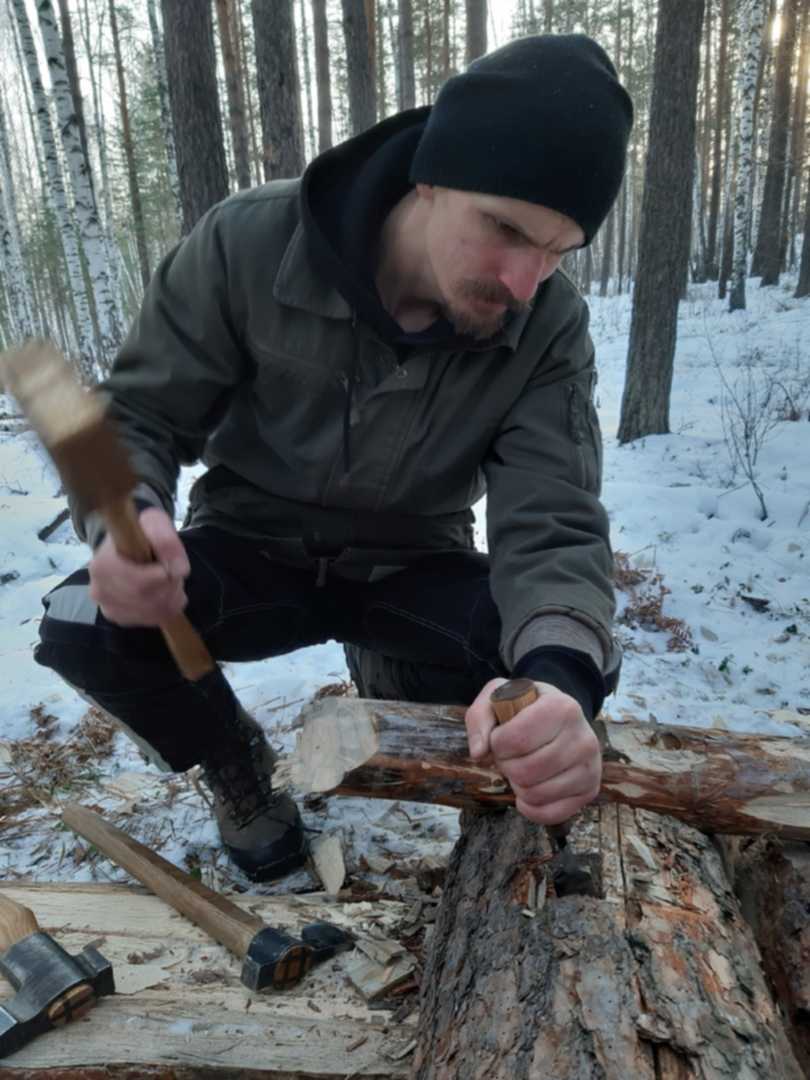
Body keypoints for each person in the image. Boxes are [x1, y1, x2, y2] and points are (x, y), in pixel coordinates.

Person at [34, 34, 633, 882]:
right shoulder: (248, 243)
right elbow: (136, 413)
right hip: (252, 551)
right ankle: (230, 759)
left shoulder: (548, 327)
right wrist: (126, 518)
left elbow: (555, 517)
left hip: (413, 568)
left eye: (558, 250)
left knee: (551, 655)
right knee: (85, 622)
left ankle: (410, 691)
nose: (525, 280)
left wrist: (562, 679)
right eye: (504, 228)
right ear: (430, 174)